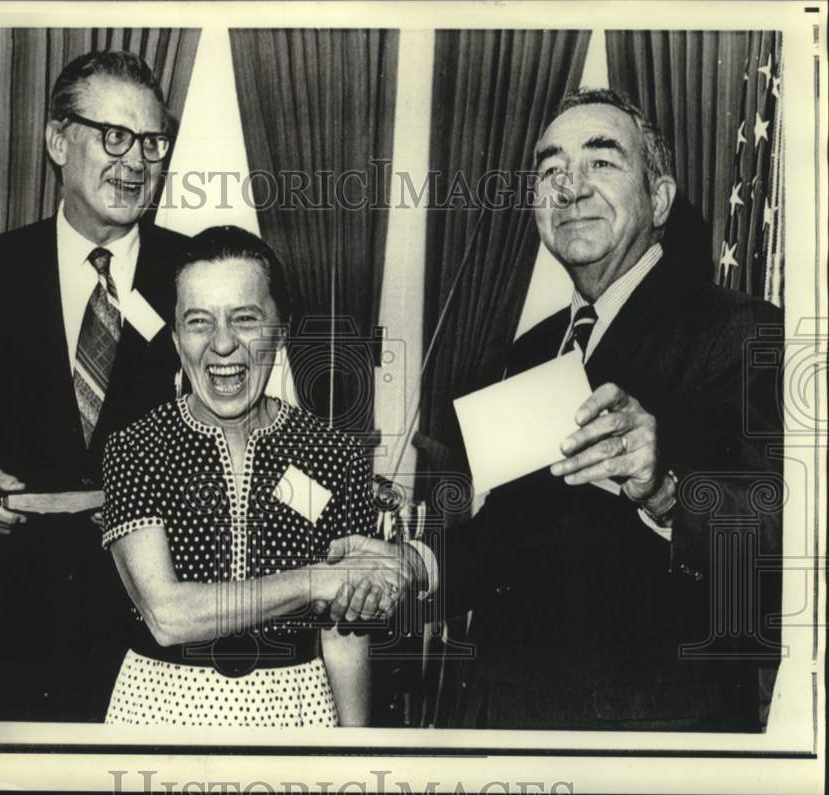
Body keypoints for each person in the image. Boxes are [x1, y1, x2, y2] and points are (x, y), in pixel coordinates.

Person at [327, 88, 783, 731]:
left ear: (659, 199)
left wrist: (667, 494)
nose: (569, 187)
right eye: (550, 169)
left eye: (601, 161)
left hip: (646, 744)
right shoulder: (531, 351)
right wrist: (418, 565)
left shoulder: (741, 332)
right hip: (499, 723)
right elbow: (515, 537)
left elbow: (786, 557)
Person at [0, 50, 188, 721]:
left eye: (152, 141)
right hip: (1, 626)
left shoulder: (196, 276)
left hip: (147, 634)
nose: (135, 162)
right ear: (56, 140)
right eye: (114, 135)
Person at [100, 226, 376, 727]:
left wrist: (356, 754)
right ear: (177, 337)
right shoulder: (136, 449)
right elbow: (167, 615)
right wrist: (318, 580)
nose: (222, 344)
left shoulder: (333, 454)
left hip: (298, 711)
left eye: (245, 319)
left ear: (281, 328)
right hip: (160, 711)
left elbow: (345, 637)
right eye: (198, 322)